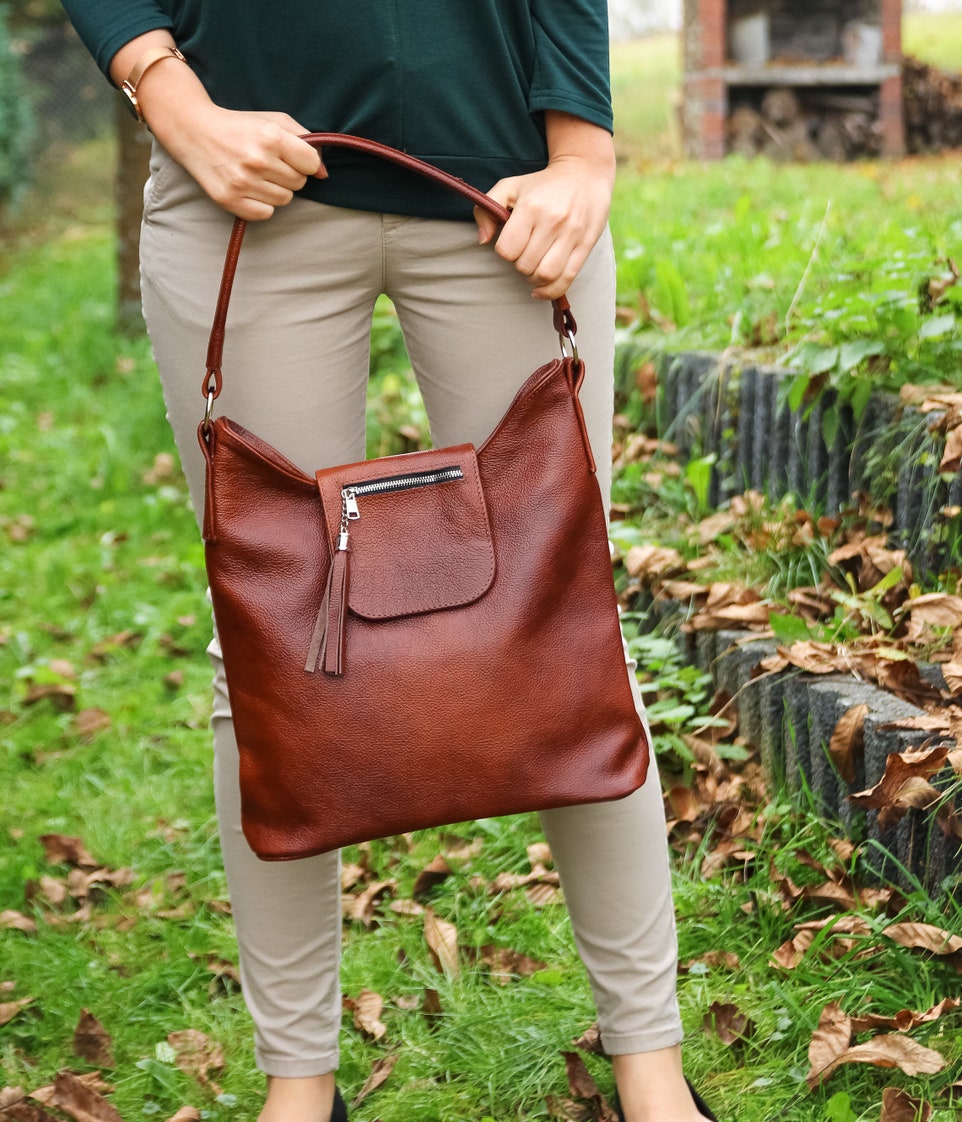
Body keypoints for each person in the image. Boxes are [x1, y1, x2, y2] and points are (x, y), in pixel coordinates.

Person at [59, 5, 718, 1121]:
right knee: (268, 652)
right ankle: (300, 1091)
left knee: (571, 617)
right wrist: (172, 99)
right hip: (242, 186)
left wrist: (584, 153)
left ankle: (652, 1079)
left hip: (505, 196)